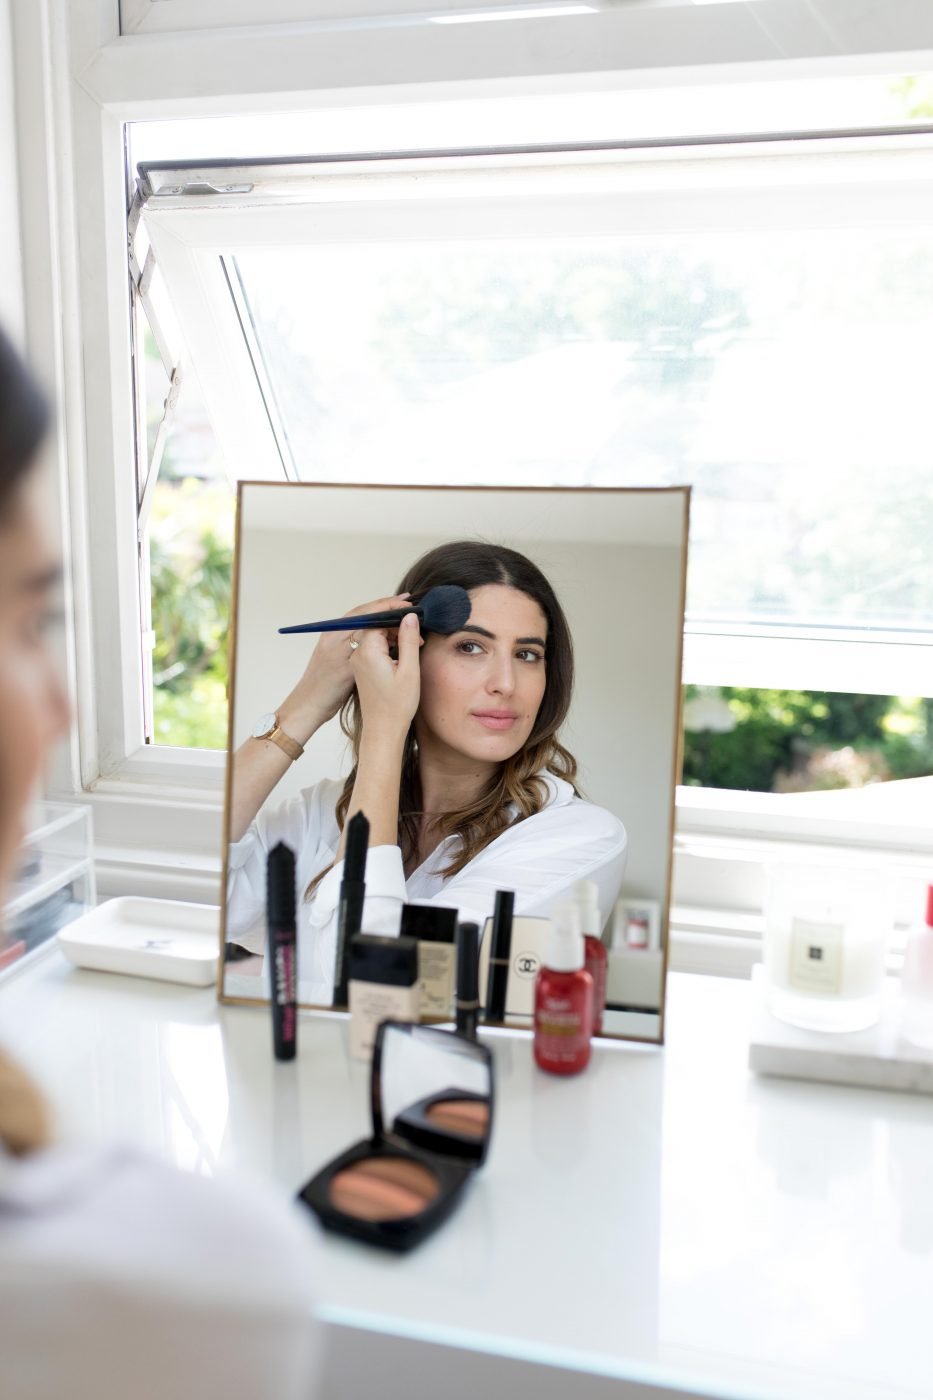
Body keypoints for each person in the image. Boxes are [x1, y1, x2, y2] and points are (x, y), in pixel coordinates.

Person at [0, 324, 321, 1400]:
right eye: (28, 618)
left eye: (525, 652)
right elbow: (244, 855)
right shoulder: (191, 1277)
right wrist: (312, 714)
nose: (64, 707)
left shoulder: (572, 824)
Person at [226, 540, 628, 1000]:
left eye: (527, 654)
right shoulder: (320, 812)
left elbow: (376, 987)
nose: (505, 684)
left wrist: (384, 729)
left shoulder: (579, 838)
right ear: (405, 656)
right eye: (471, 646)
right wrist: (307, 700)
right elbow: (198, 886)